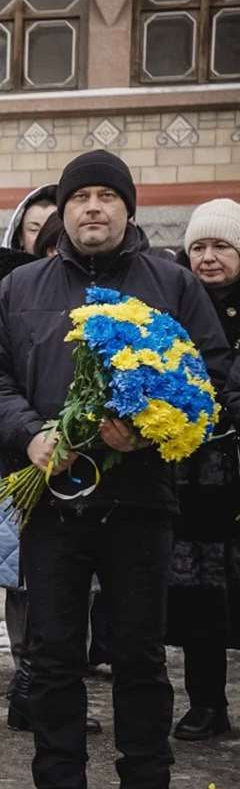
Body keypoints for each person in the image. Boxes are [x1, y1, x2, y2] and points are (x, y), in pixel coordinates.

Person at [0, 150, 233, 789]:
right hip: (54, 500)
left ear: (128, 208)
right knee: (54, 656)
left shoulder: (172, 283)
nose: (93, 207)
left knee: (140, 657)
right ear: (63, 211)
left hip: (142, 500)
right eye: (80, 196)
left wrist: (148, 428)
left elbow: (213, 374)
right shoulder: (21, 287)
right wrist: (30, 434)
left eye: (107, 196)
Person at [0, 196, 101, 737]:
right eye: (35, 228)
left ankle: (57, 680)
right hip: (16, 447)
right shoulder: (6, 289)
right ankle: (28, 680)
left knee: (73, 575)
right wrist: (27, 425)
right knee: (22, 571)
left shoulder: (96, 290)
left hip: (81, 456)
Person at [166, 198, 240, 742]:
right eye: (199, 247)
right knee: (200, 591)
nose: (208, 258)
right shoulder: (175, 302)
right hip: (196, 475)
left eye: (221, 247)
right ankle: (207, 702)